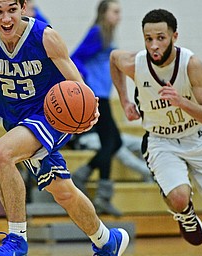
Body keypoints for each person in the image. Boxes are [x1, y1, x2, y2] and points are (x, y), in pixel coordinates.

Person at [0, 0, 129, 255]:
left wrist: (90, 112)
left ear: (23, 7)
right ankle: (106, 240)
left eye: (12, 10)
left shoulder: (45, 37)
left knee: (1, 153)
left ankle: (17, 240)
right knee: (62, 191)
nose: (6, 19)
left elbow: (78, 84)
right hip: (17, 122)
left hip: (51, 116)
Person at [110, 8, 202, 256]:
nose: (154, 45)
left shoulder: (191, 65)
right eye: (148, 39)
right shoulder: (137, 63)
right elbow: (114, 58)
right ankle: (185, 214)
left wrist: (182, 102)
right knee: (178, 198)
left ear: (174, 36)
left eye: (161, 38)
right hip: (161, 140)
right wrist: (125, 100)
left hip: (199, 138)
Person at [70, 0, 123, 217]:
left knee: (112, 142)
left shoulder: (107, 34)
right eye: (115, 12)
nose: (119, 16)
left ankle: (84, 177)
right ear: (104, 13)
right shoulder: (97, 32)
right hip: (96, 95)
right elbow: (75, 57)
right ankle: (100, 193)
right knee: (112, 142)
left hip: (103, 94)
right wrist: (84, 79)